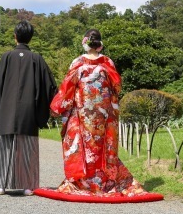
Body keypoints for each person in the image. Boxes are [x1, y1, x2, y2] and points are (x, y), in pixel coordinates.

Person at [49, 28, 146, 196]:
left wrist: (57, 108)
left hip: (83, 114)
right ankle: (104, 183)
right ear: (99, 44)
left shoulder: (77, 63)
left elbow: (66, 90)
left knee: (84, 147)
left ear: (85, 42)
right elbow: (116, 88)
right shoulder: (108, 63)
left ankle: (84, 184)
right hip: (104, 114)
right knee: (102, 148)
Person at [0, 20, 57, 196]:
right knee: (27, 147)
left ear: (15, 36)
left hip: (6, 109)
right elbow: (49, 86)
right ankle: (27, 186)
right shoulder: (37, 59)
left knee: (4, 146)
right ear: (30, 38)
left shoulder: (6, 57)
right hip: (29, 110)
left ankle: (0, 185)